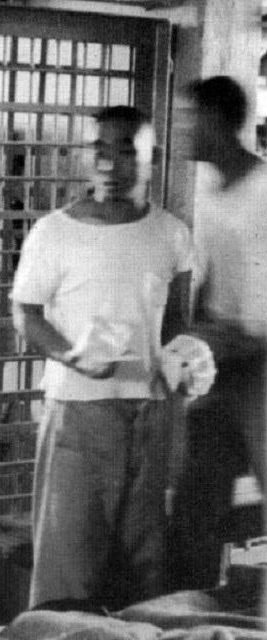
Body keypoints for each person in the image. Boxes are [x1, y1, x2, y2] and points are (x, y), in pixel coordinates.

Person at [11, 106, 193, 609]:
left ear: (151, 157)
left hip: (151, 415)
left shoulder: (171, 234)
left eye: (126, 150)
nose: (111, 165)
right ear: (87, 158)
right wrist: (74, 358)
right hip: (78, 412)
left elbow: (176, 321)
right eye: (101, 150)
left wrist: (186, 361)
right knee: (67, 566)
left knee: (146, 566)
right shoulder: (55, 232)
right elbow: (25, 314)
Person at [167, 75, 267, 590]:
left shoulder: (263, 192)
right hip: (223, 361)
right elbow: (209, 286)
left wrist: (200, 348)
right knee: (195, 510)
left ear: (219, 123)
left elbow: (259, 326)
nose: (182, 128)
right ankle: (187, 615)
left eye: (191, 119)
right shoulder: (209, 188)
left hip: (258, 366)